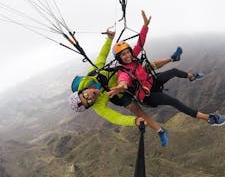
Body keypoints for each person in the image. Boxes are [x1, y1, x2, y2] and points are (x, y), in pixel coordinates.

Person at [68, 11, 184, 146]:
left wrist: (109, 39)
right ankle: (160, 130)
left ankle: (172, 58)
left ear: (82, 91)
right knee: (137, 111)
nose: (90, 97)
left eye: (85, 95)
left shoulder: (91, 75)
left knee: (148, 67)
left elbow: (102, 56)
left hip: (123, 75)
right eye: (88, 101)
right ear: (90, 105)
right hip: (119, 94)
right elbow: (115, 118)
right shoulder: (99, 107)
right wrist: (133, 121)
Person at [108, 12, 225, 127]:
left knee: (174, 71)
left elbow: (140, 43)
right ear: (119, 58)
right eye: (123, 54)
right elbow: (123, 79)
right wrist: (121, 85)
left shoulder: (133, 57)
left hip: (151, 82)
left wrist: (145, 26)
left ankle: (192, 76)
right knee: (174, 101)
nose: (127, 56)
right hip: (148, 96)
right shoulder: (123, 71)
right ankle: (209, 119)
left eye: (128, 52)